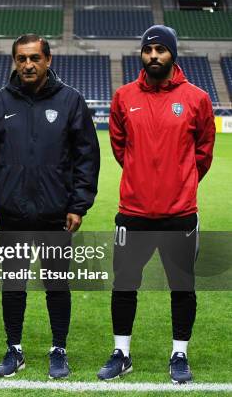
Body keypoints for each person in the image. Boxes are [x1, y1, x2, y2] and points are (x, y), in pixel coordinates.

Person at [0, 34, 100, 379]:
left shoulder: (71, 101)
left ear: (48, 60)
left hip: (56, 212)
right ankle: (14, 349)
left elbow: (88, 157)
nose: (27, 65)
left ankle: (59, 349)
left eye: (34, 58)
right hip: (12, 211)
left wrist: (79, 204)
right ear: (14, 62)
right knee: (12, 284)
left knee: (56, 283)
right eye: (21, 59)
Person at [97, 25, 215, 384]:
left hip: (180, 215)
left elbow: (204, 153)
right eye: (148, 50)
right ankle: (122, 353)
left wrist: (180, 182)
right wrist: (141, 176)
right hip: (133, 213)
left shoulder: (196, 98)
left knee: (182, 285)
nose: (153, 56)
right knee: (124, 283)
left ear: (172, 53)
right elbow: (121, 147)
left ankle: (179, 354)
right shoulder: (123, 96)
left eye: (160, 50)